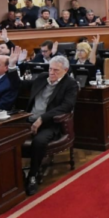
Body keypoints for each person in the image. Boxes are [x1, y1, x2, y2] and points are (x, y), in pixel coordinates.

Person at [11, 50, 78, 196]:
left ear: (65, 70)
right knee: (8, 138)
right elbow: (19, 85)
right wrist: (12, 66)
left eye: (56, 70)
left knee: (39, 142)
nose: (51, 73)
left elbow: (66, 106)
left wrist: (42, 118)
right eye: (50, 69)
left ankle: (32, 176)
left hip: (51, 123)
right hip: (29, 119)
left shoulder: (70, 84)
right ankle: (12, 176)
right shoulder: (42, 77)